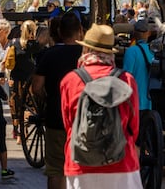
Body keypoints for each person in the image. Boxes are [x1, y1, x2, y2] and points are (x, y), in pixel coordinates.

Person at [60, 24, 141, 189]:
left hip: (80, 163)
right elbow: (134, 127)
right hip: (122, 162)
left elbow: (68, 124)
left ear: (86, 51)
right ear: (110, 53)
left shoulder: (70, 80)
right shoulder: (127, 80)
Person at [32, 13, 83, 189]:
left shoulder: (49, 55)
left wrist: (48, 98)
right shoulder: (86, 55)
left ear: (60, 32)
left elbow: (36, 87)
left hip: (57, 116)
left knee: (55, 169)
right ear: (80, 31)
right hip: (84, 119)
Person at [5, 20, 40, 144]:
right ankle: (23, 129)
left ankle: (19, 131)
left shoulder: (14, 43)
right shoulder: (36, 45)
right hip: (30, 80)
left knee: (16, 106)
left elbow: (8, 62)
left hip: (16, 79)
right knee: (29, 105)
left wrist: (8, 77)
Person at [123, 19, 154, 111]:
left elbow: (126, 77)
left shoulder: (131, 51)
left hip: (135, 104)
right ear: (148, 33)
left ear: (134, 33)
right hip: (150, 104)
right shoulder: (154, 51)